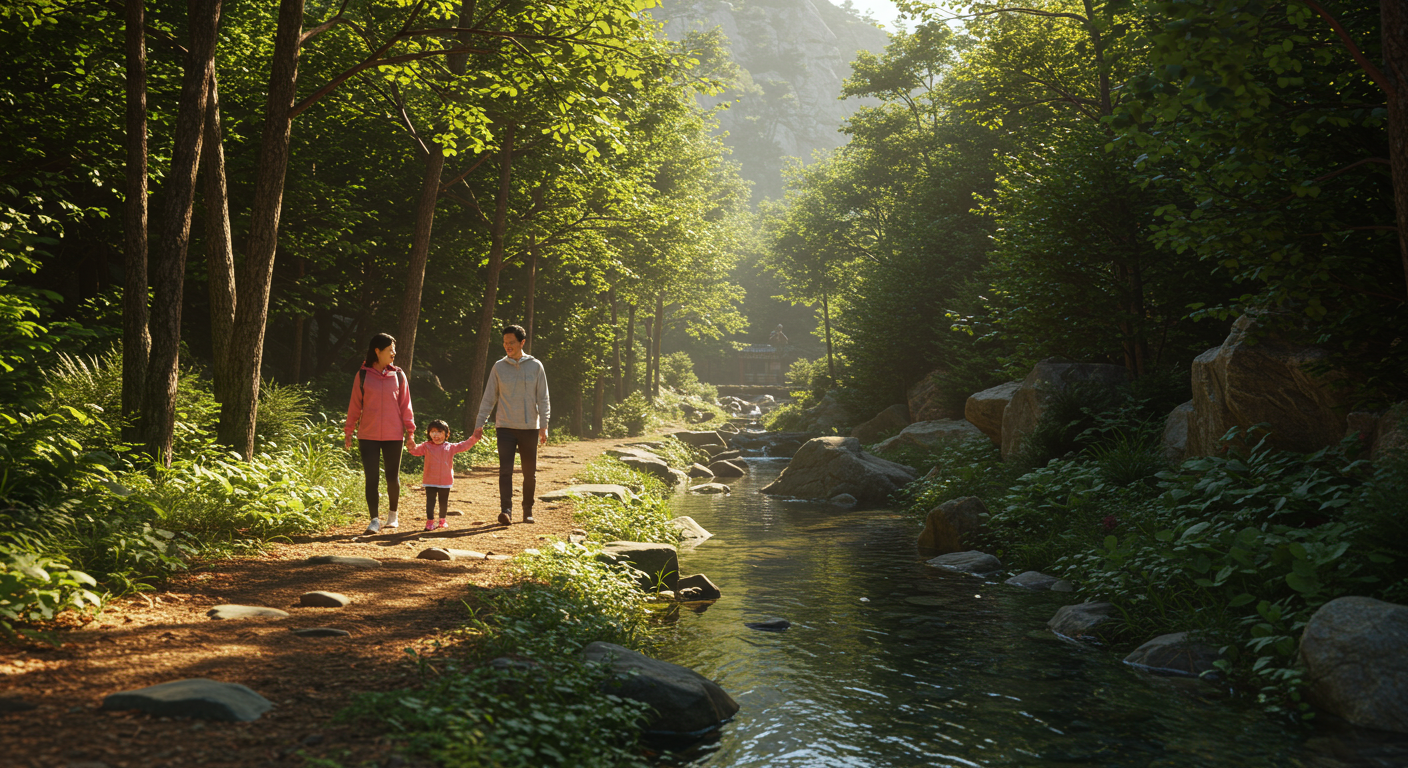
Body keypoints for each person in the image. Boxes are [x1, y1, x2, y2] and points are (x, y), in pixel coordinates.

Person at [471, 324, 550, 526]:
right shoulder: (498, 367)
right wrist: (480, 423)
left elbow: (543, 398)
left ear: (522, 342)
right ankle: (506, 510)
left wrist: (544, 425)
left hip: (530, 427)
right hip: (505, 426)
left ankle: (528, 510)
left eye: (511, 342)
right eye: (505, 343)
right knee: (505, 470)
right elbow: (489, 398)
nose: (507, 346)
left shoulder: (536, 366)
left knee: (529, 473)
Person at [344, 333, 415, 534]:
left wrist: (410, 432)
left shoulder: (399, 375)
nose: (394, 353)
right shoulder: (363, 375)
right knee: (372, 478)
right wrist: (349, 431)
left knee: (392, 478)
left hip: (394, 435)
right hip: (367, 435)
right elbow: (355, 406)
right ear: (377, 351)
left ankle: (393, 515)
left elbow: (406, 406)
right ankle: (374, 519)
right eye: (390, 349)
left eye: (394, 349)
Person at [405, 419, 479, 531]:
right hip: (430, 480)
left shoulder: (450, 447)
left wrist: (475, 437)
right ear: (429, 434)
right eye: (432, 432)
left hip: (445, 481)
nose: (436, 435)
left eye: (439, 431)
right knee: (430, 501)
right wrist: (410, 441)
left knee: (443, 501)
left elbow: (464, 445)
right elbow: (415, 451)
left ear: (446, 433)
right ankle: (429, 522)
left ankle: (442, 520)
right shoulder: (426, 446)